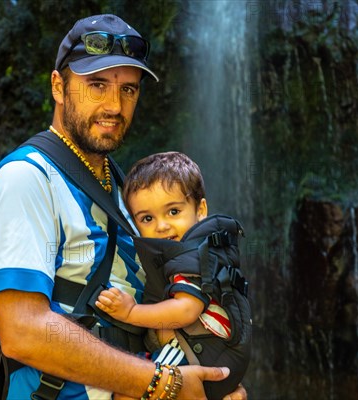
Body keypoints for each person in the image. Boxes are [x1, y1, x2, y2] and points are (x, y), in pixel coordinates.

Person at [0, 13, 248, 400]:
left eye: (129, 90)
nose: (114, 106)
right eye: (97, 85)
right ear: (58, 85)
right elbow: (22, 331)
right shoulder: (27, 179)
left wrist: (208, 384)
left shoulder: (127, 189)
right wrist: (163, 384)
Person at [96, 152, 251, 399]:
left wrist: (131, 313)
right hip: (217, 359)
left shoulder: (193, 256)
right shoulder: (204, 250)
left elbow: (187, 310)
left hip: (203, 360)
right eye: (147, 218)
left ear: (200, 209)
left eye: (173, 212)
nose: (161, 226)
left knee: (130, 390)